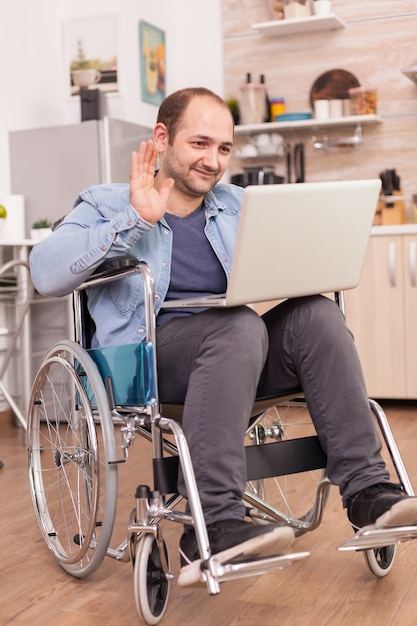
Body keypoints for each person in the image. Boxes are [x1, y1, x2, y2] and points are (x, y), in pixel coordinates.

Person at [30, 87, 417, 580]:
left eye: (224, 149)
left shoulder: (238, 204)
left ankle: (368, 493)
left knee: (316, 315)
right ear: (163, 136)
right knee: (237, 325)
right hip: (149, 361)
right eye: (200, 144)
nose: (213, 161)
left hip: (236, 355)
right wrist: (134, 218)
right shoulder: (107, 202)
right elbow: (45, 274)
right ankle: (213, 523)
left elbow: (283, 277)